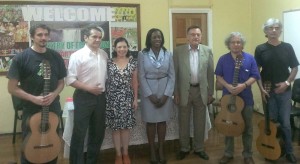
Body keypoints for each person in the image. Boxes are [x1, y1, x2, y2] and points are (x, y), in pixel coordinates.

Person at [7, 24, 67, 164]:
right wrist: (33, 98)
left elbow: (61, 82)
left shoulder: (56, 56)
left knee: (51, 146)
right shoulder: (21, 58)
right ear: (32, 36)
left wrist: (54, 94)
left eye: (46, 34)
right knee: (29, 149)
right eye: (40, 34)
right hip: (31, 110)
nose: (43, 37)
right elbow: (12, 88)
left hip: (52, 109)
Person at [255, 18, 299, 163]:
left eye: (276, 28)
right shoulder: (260, 49)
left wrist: (286, 83)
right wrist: (261, 89)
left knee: (285, 124)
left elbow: (294, 68)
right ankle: (271, 149)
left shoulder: (287, 47)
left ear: (280, 30)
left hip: (285, 92)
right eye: (270, 28)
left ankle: (289, 151)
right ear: (265, 31)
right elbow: (256, 71)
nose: (274, 30)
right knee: (272, 123)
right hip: (268, 92)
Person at [215, 32, 260, 164]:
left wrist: (244, 85)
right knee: (227, 125)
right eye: (233, 42)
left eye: (238, 42)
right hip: (227, 99)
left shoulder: (250, 58)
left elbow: (255, 75)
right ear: (228, 45)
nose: (236, 44)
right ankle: (228, 153)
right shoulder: (223, 59)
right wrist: (228, 86)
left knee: (248, 128)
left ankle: (247, 154)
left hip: (246, 99)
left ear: (242, 44)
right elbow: (218, 76)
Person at [67, 25, 108, 164]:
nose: (97, 40)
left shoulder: (104, 54)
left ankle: (91, 161)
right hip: (84, 97)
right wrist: (89, 88)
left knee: (97, 133)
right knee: (80, 133)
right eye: (94, 37)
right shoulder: (77, 55)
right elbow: (70, 79)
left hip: (101, 98)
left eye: (99, 37)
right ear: (85, 38)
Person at [173, 25, 214, 161]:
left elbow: (210, 74)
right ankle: (184, 148)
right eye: (192, 34)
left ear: (201, 37)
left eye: (198, 34)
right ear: (187, 37)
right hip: (184, 91)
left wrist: (210, 93)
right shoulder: (178, 51)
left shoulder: (207, 51)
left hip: (201, 91)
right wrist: (176, 92)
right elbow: (175, 74)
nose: (195, 37)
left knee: (200, 122)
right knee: (183, 121)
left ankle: (199, 148)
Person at [138, 28, 175, 164]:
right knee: (151, 122)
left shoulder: (168, 54)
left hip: (165, 90)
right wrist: (149, 95)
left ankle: (161, 150)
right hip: (149, 93)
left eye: (159, 37)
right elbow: (141, 76)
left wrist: (167, 95)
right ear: (149, 39)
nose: (157, 39)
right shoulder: (143, 54)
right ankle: (152, 151)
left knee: (162, 122)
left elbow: (172, 76)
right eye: (154, 37)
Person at [106, 37, 138, 164]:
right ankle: (118, 155)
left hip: (127, 98)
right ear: (115, 48)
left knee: (125, 128)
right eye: (119, 47)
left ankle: (125, 153)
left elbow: (135, 82)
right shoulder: (109, 62)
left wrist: (135, 99)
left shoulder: (133, 62)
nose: (122, 49)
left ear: (127, 48)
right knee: (115, 128)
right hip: (112, 98)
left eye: (124, 47)